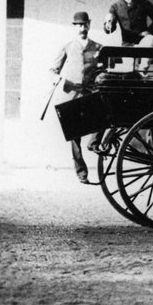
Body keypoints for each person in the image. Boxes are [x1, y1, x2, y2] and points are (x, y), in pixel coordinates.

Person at [49, 11, 102, 184]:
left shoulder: (98, 47)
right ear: (75, 27)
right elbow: (53, 69)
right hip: (72, 92)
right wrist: (56, 78)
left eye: (84, 24)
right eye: (78, 25)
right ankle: (82, 173)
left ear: (89, 25)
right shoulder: (68, 46)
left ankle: (94, 143)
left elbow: (105, 69)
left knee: (103, 118)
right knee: (74, 135)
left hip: (89, 91)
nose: (82, 27)